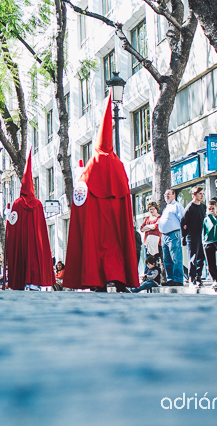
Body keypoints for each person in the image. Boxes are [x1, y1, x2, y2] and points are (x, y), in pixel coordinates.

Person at [63, 95, 139, 291]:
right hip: (115, 223)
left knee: (96, 247)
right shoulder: (118, 164)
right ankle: (120, 280)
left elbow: (81, 196)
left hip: (96, 225)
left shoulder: (92, 165)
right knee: (116, 247)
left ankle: (99, 282)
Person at [4, 150, 55, 291]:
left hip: (21, 241)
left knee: (22, 259)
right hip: (35, 241)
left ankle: (21, 282)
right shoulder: (38, 204)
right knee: (34, 258)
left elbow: (12, 225)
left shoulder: (17, 203)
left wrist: (8, 216)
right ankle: (33, 282)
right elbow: (42, 228)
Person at [158, 189, 184, 286]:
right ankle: (170, 279)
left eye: (169, 194)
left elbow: (182, 219)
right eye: (165, 194)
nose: (166, 196)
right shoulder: (167, 207)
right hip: (164, 236)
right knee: (167, 259)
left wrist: (183, 234)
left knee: (176, 258)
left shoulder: (176, 206)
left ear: (174, 195)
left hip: (174, 234)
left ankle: (178, 279)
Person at [181, 186, 207, 286]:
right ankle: (191, 278)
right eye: (200, 194)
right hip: (192, 236)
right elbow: (183, 223)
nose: (201, 196)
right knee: (193, 257)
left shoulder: (203, 207)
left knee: (201, 257)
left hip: (202, 235)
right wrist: (183, 237)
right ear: (194, 195)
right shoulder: (190, 207)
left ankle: (198, 276)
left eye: (203, 194)